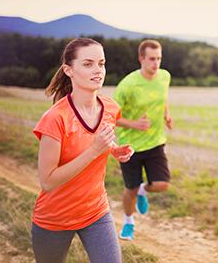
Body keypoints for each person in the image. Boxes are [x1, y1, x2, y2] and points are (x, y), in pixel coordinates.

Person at [31, 37, 134, 263]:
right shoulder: (55, 119)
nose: (98, 70)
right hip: (54, 219)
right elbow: (47, 181)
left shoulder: (110, 108)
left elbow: (94, 142)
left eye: (101, 63)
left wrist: (113, 150)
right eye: (88, 64)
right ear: (69, 70)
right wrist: (95, 150)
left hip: (95, 211)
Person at [114, 39, 173, 241]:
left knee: (162, 184)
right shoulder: (128, 85)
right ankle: (129, 223)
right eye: (151, 59)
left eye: (159, 58)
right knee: (128, 188)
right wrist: (134, 124)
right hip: (130, 146)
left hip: (155, 140)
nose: (156, 63)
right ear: (141, 58)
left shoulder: (164, 76)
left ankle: (143, 190)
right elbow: (112, 116)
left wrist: (166, 115)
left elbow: (163, 97)